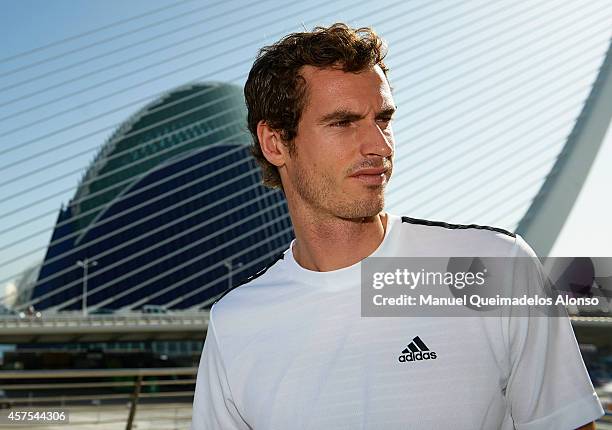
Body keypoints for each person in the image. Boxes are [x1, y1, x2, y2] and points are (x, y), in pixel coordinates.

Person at [191, 23, 604, 429]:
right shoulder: (235, 322)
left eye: (383, 119)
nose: (380, 146)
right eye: (343, 122)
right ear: (276, 143)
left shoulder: (496, 266)